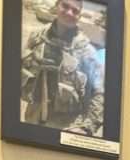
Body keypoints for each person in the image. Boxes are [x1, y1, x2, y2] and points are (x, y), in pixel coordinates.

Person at [20, 0, 105, 136]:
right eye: (65, 6)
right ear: (56, 6)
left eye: (75, 11)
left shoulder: (86, 51)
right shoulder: (37, 37)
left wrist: (87, 128)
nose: (69, 13)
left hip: (66, 127)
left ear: (79, 16)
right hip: (32, 119)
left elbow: (99, 92)